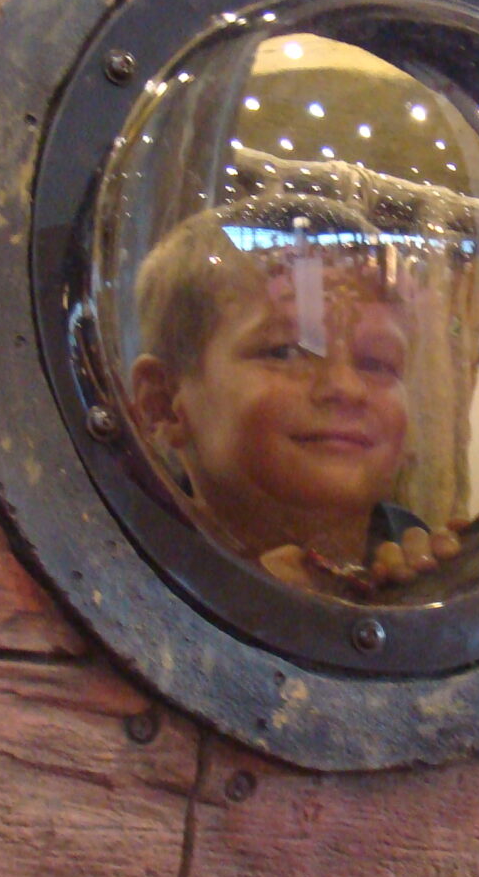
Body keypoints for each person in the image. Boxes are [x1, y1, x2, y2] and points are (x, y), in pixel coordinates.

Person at [124, 193, 460, 595]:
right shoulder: (125, 574)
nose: (346, 388)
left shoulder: (427, 569)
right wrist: (245, 598)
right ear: (163, 404)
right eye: (284, 353)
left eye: (377, 363)